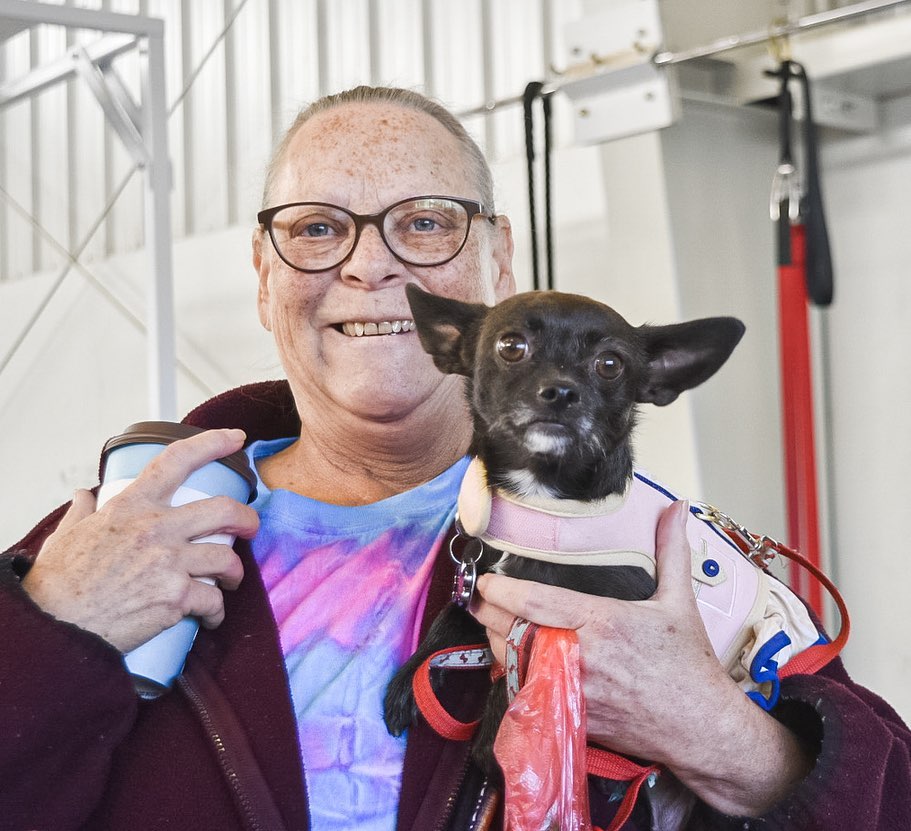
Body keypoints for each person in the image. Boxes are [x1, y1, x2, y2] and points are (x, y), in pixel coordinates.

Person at [1, 84, 909, 831]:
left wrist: (714, 732)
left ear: (497, 257)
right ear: (263, 272)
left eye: (424, 222)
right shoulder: (122, 531)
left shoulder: (652, 557)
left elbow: (891, 795)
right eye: (317, 228)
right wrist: (48, 629)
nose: (369, 266)